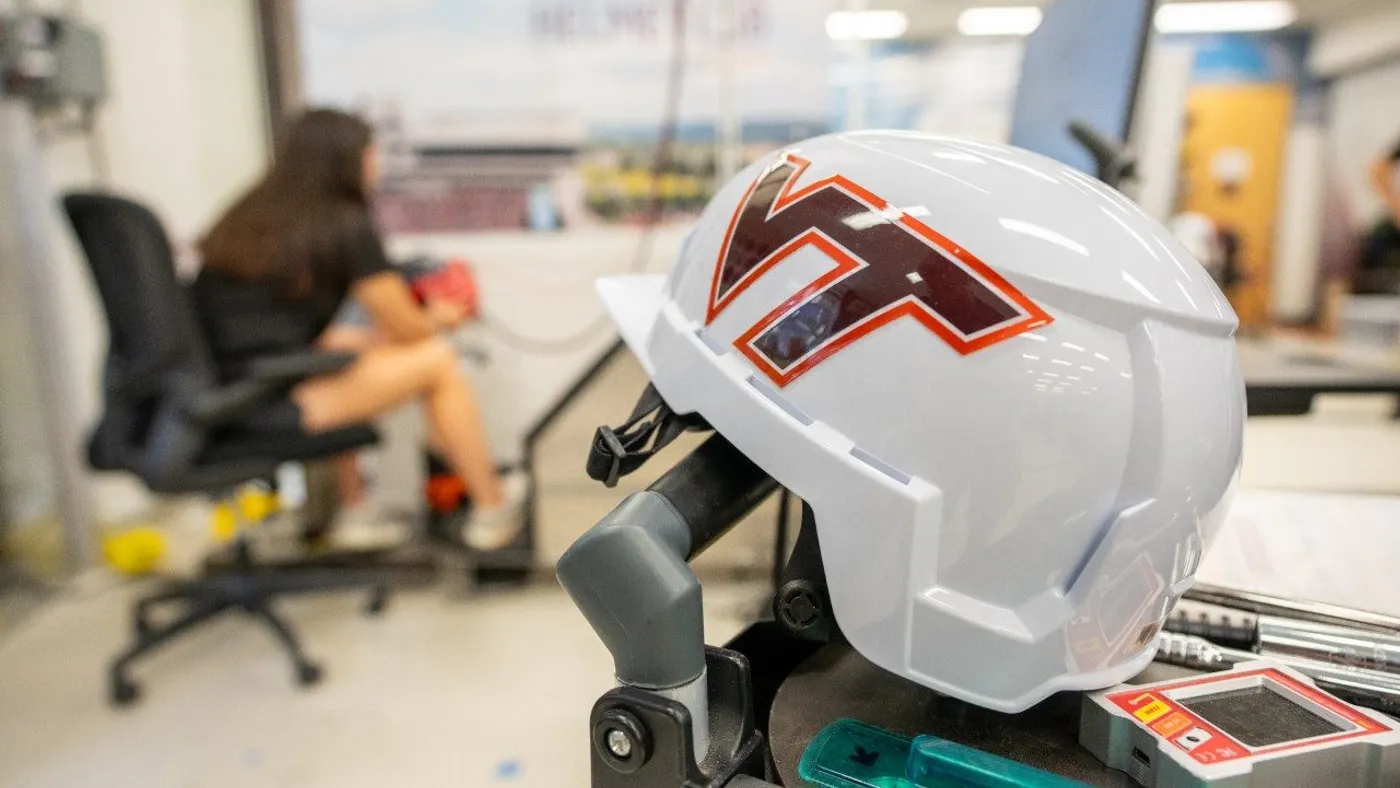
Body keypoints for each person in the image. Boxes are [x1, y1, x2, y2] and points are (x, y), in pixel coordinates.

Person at [192, 108, 525, 550]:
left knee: (353, 352)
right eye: (371, 152)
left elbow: (285, 331)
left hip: (223, 393)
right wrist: (442, 317)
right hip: (271, 399)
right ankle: (492, 508)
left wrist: (371, 339)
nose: (376, 163)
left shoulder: (248, 215)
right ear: (346, 159)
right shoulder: (343, 223)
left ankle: (356, 510)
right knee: (438, 361)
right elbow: (410, 329)